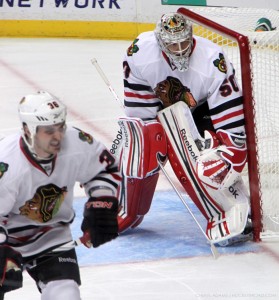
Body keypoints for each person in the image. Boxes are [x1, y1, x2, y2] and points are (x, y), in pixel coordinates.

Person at [116, 12, 250, 245]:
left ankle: (232, 210)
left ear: (191, 36)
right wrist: (145, 142)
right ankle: (126, 208)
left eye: (184, 42)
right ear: (160, 43)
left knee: (205, 160)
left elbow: (232, 128)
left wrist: (228, 155)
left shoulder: (213, 60)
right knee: (138, 144)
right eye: (172, 44)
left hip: (204, 110)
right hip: (165, 110)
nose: (179, 49)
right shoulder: (139, 53)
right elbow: (140, 114)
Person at [0, 91, 120, 299]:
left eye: (60, 127)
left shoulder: (76, 142)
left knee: (66, 296)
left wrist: (102, 202)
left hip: (51, 237)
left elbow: (104, 169)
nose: (58, 137)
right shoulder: (7, 163)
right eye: (48, 131)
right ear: (28, 130)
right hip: (7, 239)